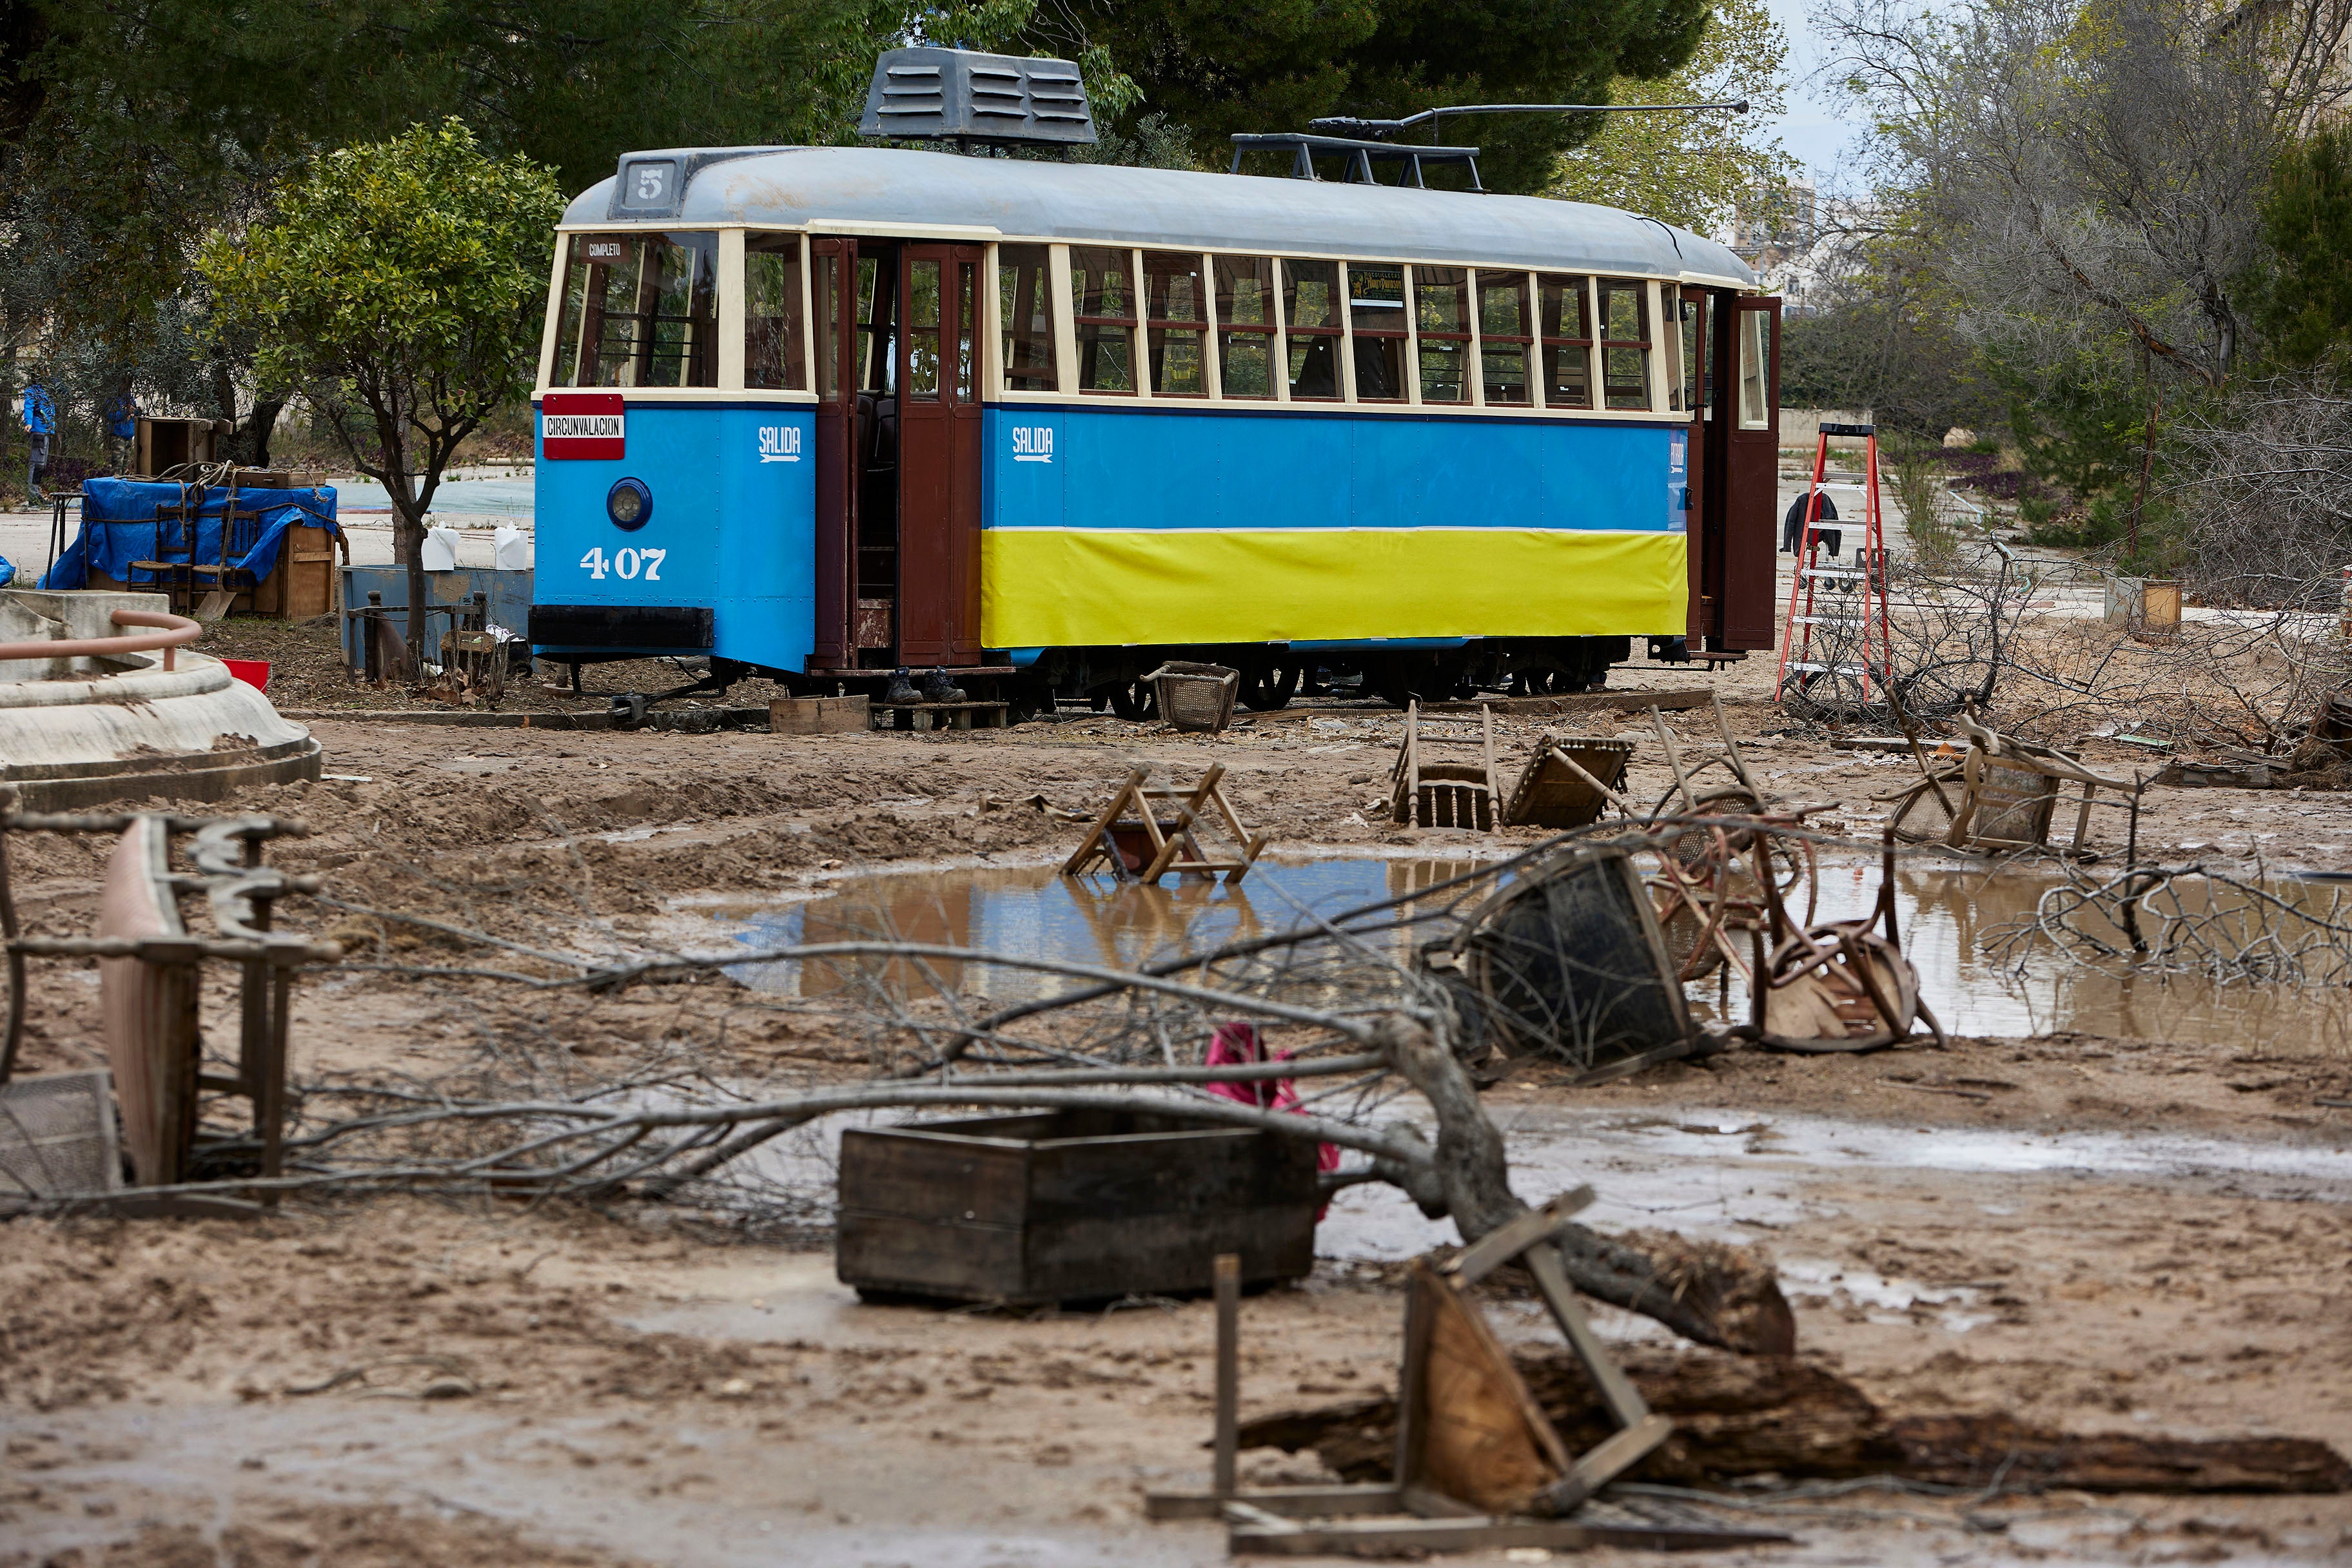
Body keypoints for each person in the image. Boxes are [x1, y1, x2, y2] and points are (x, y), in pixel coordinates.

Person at [20, 375, 56, 503]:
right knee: (36, 463)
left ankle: (36, 493)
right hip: (38, 430)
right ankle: (32, 495)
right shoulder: (33, 391)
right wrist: (28, 422)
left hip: (47, 430)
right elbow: (28, 407)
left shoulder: (49, 390)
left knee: (42, 464)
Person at [1781, 487, 1840, 556]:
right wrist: (1787, 546)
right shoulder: (1802, 500)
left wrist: (1835, 550)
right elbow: (1790, 522)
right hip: (1806, 534)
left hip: (1820, 534)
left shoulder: (1825, 500)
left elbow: (1836, 525)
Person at [103, 379, 138, 476]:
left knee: (126, 466)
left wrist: (136, 412)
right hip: (118, 435)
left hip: (129, 435)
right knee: (117, 465)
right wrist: (126, 411)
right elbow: (111, 416)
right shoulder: (113, 400)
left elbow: (134, 415)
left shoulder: (131, 399)